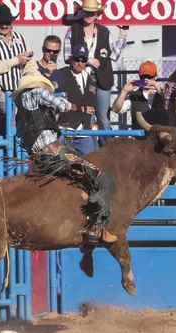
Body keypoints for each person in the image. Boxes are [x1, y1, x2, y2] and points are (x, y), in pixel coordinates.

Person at [11, 74, 117, 245]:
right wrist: (77, 107)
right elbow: (62, 104)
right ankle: (96, 227)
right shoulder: (36, 92)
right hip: (55, 153)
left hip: (40, 161)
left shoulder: (20, 111)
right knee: (104, 177)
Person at [64, 0, 129, 147]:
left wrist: (123, 34)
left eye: (91, 13)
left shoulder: (104, 31)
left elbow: (115, 55)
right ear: (81, 12)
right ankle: (90, 153)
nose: (88, 15)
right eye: (86, 11)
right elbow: (67, 57)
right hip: (81, 80)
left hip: (102, 79)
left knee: (104, 119)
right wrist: (88, 61)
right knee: (86, 118)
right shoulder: (72, 30)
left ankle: (108, 152)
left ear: (97, 15)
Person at [0, 3, 38, 136]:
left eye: (7, 22)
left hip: (17, 89)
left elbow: (30, 62)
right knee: (10, 114)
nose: (5, 26)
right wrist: (16, 60)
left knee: (29, 112)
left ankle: (12, 148)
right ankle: (6, 149)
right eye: (1, 23)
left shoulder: (20, 38)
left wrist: (35, 79)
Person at [58, 44, 98, 156]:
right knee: (60, 165)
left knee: (91, 164)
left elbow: (90, 104)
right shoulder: (61, 74)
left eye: (83, 60)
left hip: (83, 131)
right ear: (71, 58)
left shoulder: (89, 78)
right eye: (77, 59)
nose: (80, 63)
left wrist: (89, 122)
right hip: (64, 129)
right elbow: (54, 100)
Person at [112, 60, 167, 132]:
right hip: (140, 139)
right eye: (142, 77)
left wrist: (159, 90)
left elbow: (171, 105)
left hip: (160, 137)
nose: (146, 79)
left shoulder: (162, 92)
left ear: (156, 77)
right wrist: (124, 91)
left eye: (149, 76)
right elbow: (116, 109)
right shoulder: (134, 95)